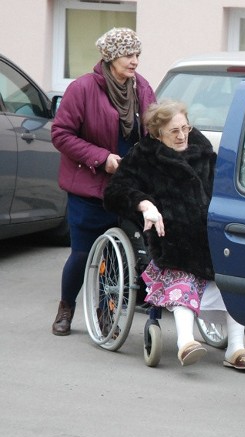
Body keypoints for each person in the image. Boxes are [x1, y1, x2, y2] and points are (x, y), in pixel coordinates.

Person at [103, 100, 245, 370]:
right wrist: (145, 204)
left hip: (210, 237)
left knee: (234, 279)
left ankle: (236, 347)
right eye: (173, 131)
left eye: (185, 128)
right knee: (183, 275)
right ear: (157, 133)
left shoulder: (202, 151)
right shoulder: (144, 157)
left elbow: (225, 188)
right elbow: (115, 192)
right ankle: (185, 343)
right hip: (171, 238)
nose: (181, 135)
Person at [51, 27, 156, 336]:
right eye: (128, 55)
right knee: (83, 253)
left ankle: (106, 311)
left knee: (119, 256)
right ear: (110, 57)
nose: (135, 61)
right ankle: (66, 306)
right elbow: (61, 134)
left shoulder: (142, 88)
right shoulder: (82, 89)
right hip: (90, 186)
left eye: (137, 54)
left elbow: (152, 128)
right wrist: (102, 157)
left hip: (126, 188)